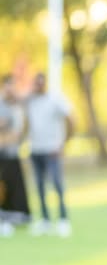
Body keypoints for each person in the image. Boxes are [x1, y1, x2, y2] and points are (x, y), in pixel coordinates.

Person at [26, 72, 75, 236]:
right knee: (39, 186)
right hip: (35, 149)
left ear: (44, 83)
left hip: (52, 150)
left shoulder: (55, 99)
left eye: (41, 83)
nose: (38, 86)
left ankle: (63, 219)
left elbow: (71, 118)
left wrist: (64, 143)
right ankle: (45, 220)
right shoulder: (30, 101)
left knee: (56, 185)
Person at [0, 74, 31, 236]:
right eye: (8, 86)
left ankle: (13, 217)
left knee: (14, 187)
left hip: (12, 153)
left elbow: (19, 131)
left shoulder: (17, 106)